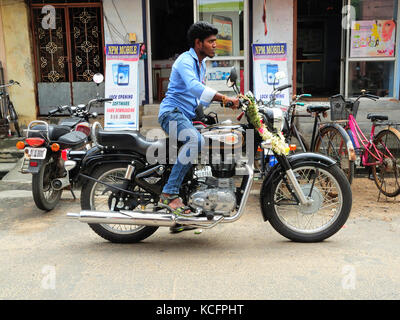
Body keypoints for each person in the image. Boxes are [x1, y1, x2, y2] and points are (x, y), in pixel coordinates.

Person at [157, 21, 239, 232]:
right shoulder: (185, 61)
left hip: (186, 115)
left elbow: (198, 99)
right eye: (211, 42)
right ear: (198, 42)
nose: (215, 45)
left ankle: (185, 212)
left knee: (211, 137)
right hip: (171, 113)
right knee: (195, 141)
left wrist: (221, 107)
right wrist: (223, 98)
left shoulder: (201, 64)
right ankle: (169, 193)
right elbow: (195, 88)